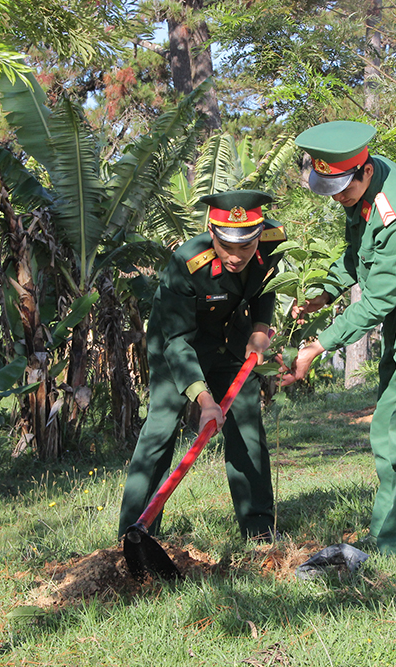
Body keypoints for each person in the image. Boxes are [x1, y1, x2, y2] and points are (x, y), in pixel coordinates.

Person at [283, 120, 396, 555]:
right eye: (329, 188)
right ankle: (386, 533)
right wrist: (322, 293)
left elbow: (377, 302)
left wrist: (319, 345)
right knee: (386, 423)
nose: (338, 198)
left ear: (364, 170)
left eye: (343, 188)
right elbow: (357, 255)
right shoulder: (361, 189)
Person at [119, 189, 285, 541]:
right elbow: (177, 342)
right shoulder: (186, 263)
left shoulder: (272, 241)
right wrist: (205, 401)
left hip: (231, 340)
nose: (237, 257)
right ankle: (134, 535)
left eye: (246, 247)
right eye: (228, 247)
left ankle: (259, 531)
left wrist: (259, 328)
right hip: (177, 344)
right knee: (160, 432)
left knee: (247, 428)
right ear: (213, 234)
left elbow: (265, 285)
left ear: (258, 235)